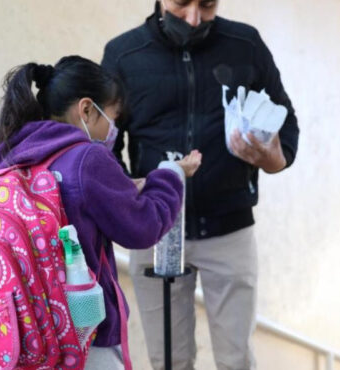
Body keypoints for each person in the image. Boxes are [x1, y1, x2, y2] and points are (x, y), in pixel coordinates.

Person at [102, 0, 300, 368]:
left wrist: (270, 158)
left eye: (206, 5)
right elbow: (104, 148)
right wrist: (136, 195)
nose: (194, 19)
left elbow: (287, 128)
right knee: (169, 361)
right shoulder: (123, 55)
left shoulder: (246, 44)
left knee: (236, 359)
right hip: (156, 231)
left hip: (229, 231)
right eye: (182, 4)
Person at [0, 55, 202, 369]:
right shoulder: (86, 158)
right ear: (85, 109)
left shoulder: (10, 157)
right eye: (112, 116)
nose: (113, 127)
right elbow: (143, 227)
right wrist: (170, 174)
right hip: (83, 333)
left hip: (24, 330)